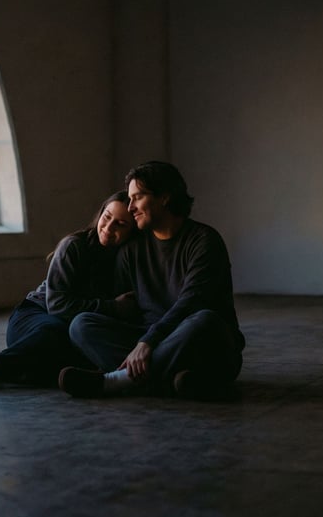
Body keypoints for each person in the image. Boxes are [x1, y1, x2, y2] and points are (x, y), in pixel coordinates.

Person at [59, 161, 245, 401]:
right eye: (129, 198)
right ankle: (168, 381)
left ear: (165, 198)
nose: (131, 206)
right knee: (81, 325)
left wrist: (148, 341)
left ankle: (118, 381)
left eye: (137, 197)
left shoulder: (204, 241)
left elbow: (192, 302)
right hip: (153, 342)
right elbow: (125, 307)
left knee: (205, 320)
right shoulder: (132, 249)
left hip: (202, 343)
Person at [0, 191, 137, 392]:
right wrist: (115, 307)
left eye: (120, 224)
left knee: (70, 363)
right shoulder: (74, 246)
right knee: (55, 332)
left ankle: (3, 362)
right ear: (100, 214)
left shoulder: (127, 257)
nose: (109, 228)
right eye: (107, 217)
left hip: (70, 330)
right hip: (35, 317)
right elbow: (58, 306)